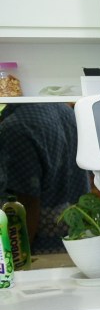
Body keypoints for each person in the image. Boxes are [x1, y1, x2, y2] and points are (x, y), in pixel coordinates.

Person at [0, 101, 89, 253]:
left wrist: (16, 262)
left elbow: (25, 204)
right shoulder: (64, 109)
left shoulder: (16, 127)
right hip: (79, 243)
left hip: (39, 250)